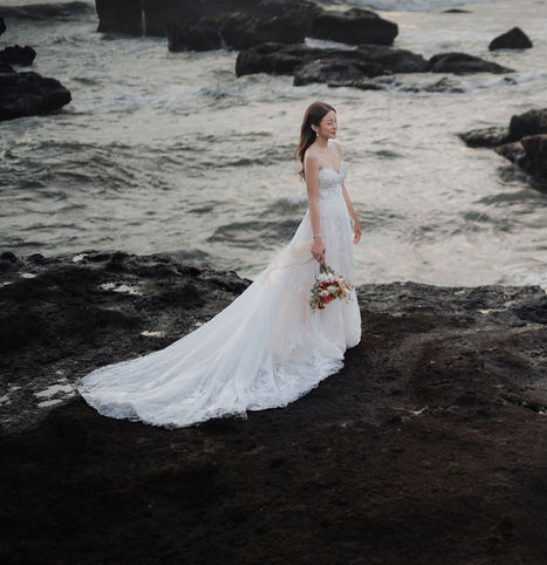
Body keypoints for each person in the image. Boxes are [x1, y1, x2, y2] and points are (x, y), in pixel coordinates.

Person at [76, 101, 362, 427]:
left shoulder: (337, 148)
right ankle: (314, 333)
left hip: (339, 219)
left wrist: (354, 217)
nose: (334, 126)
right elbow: (313, 199)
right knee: (311, 277)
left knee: (338, 275)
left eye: (336, 121)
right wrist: (318, 237)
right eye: (329, 122)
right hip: (322, 222)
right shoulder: (311, 156)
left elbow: (341, 186)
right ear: (314, 127)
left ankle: (336, 330)